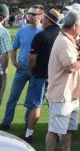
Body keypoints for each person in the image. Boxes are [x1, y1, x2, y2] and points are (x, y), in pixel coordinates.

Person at [44, 10, 80, 151]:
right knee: (54, 129)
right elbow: (70, 67)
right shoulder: (63, 42)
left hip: (71, 93)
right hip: (61, 93)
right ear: (75, 26)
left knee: (69, 128)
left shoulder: (69, 40)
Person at [0, 5, 44, 136]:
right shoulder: (22, 31)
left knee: (31, 102)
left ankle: (27, 124)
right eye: (29, 13)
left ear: (41, 16)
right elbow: (13, 48)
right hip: (22, 69)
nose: (30, 16)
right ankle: (6, 122)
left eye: (34, 14)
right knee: (12, 97)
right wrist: (14, 62)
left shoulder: (43, 32)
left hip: (36, 72)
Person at [26, 9, 62, 143]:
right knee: (55, 106)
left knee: (35, 106)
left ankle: (29, 134)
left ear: (48, 20)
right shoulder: (63, 36)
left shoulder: (40, 36)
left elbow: (32, 59)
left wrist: (30, 71)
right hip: (57, 78)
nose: (41, 20)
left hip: (40, 75)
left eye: (44, 18)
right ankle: (57, 134)